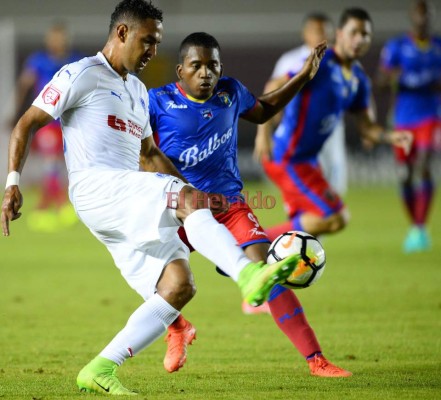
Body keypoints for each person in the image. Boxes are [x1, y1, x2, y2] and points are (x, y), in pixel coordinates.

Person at [1, 0, 301, 395]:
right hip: (96, 187)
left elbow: (150, 155)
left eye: (157, 43)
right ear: (122, 33)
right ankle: (248, 277)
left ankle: (100, 367)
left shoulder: (139, 92)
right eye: (147, 41)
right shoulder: (81, 74)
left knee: (179, 286)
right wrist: (12, 182)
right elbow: (26, 123)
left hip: (125, 199)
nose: (152, 52)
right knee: (185, 203)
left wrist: (196, 194)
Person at [147, 32, 352, 378]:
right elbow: (139, 151)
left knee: (267, 275)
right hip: (177, 209)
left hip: (229, 207)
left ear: (220, 67)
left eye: (212, 64)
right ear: (180, 71)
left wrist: (302, 76)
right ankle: (176, 328)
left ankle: (316, 360)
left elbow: (264, 110)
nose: (205, 73)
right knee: (156, 280)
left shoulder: (230, 92)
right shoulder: (156, 102)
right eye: (196, 65)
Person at [254, 8, 412, 240]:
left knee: (309, 233)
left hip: (308, 162)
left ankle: (269, 263)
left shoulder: (359, 80)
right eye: (353, 32)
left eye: (365, 34)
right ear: (339, 33)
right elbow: (272, 87)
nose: (359, 39)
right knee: (335, 216)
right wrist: (262, 133)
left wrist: (392, 137)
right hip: (287, 158)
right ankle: (255, 242)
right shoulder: (321, 63)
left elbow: (366, 127)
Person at [377, 0, 441, 253]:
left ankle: (420, 227)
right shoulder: (397, 47)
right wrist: (393, 79)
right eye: (419, 16)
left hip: (430, 116)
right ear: (412, 18)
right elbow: (381, 82)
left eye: (428, 16)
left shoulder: (438, 47)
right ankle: (415, 226)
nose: (423, 20)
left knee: (423, 165)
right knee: (404, 175)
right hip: (403, 120)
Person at [265, 12, 349, 197]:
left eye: (324, 31)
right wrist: (272, 122)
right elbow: (273, 93)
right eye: (316, 31)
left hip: (331, 131)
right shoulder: (290, 60)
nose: (320, 35)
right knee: (306, 189)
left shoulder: (342, 60)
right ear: (305, 34)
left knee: (335, 187)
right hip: (301, 132)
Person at [10, 23, 82, 232]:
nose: (58, 42)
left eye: (62, 38)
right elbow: (24, 86)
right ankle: (59, 206)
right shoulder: (38, 60)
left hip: (69, 121)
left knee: (59, 166)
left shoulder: (75, 60)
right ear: (48, 40)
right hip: (46, 121)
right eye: (55, 38)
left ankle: (44, 209)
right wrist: (16, 113)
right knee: (51, 165)